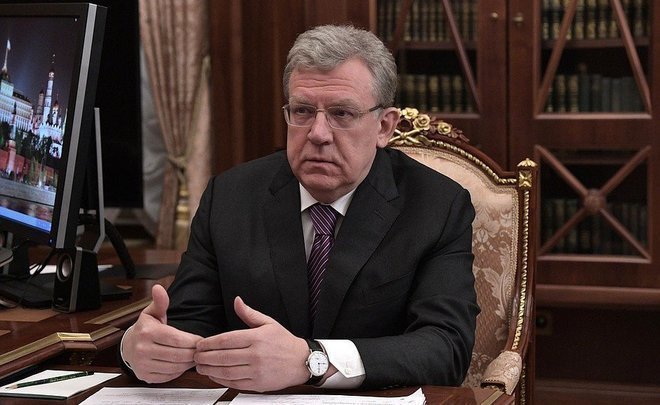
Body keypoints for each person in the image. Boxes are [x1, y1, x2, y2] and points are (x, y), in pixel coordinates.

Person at [121, 24, 479, 393]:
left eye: (342, 113)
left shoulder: (436, 206)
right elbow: (184, 327)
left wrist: (312, 360)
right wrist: (138, 349)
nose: (318, 133)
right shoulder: (230, 197)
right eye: (303, 111)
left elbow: (446, 349)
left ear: (384, 127)